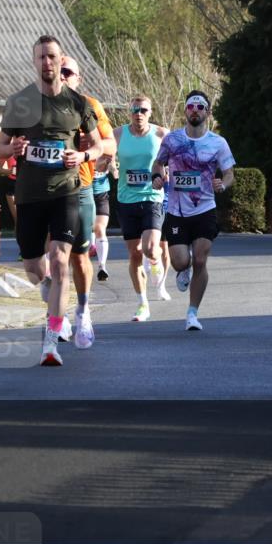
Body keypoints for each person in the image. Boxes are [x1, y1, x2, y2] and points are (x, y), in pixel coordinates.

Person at [0, 36, 102, 367]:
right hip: (29, 197)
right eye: (41, 57)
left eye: (52, 56)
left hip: (66, 193)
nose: (47, 62)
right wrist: (11, 151)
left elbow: (98, 146)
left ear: (60, 60)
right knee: (34, 267)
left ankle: (51, 341)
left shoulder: (78, 104)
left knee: (59, 260)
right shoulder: (19, 102)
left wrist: (82, 154)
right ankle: (47, 288)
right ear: (34, 61)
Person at [151, 90, 235, 331]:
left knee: (200, 259)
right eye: (191, 107)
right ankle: (182, 270)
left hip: (205, 208)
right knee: (180, 261)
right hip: (177, 210)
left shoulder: (218, 143)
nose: (195, 110)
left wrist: (223, 184)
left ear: (207, 112)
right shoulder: (172, 140)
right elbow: (159, 162)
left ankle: (192, 313)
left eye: (200, 107)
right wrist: (157, 176)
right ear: (185, 111)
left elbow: (229, 173)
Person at [59, 56, 116, 349]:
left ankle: (82, 311)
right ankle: (58, 317)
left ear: (78, 79)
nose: (62, 75)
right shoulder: (37, 106)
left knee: (79, 257)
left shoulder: (90, 106)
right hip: (47, 192)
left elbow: (110, 144)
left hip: (80, 186)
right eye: (58, 71)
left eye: (68, 72)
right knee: (53, 258)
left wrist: (91, 148)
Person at [114, 95, 170, 322]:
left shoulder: (161, 134)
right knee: (134, 255)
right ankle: (142, 304)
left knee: (149, 249)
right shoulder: (118, 134)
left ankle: (155, 262)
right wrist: (104, 162)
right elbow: (104, 150)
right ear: (130, 112)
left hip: (152, 197)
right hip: (126, 199)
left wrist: (164, 175)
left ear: (150, 112)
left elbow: (173, 160)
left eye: (143, 110)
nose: (139, 114)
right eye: (135, 110)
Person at [91, 153, 114, 281]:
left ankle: (102, 266)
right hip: (82, 192)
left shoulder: (107, 146)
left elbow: (111, 167)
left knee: (100, 228)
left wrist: (112, 167)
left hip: (101, 193)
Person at [0, 155, 18, 225]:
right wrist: (10, 171)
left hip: (27, 186)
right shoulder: (8, 151)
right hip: (12, 186)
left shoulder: (29, 148)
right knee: (17, 219)